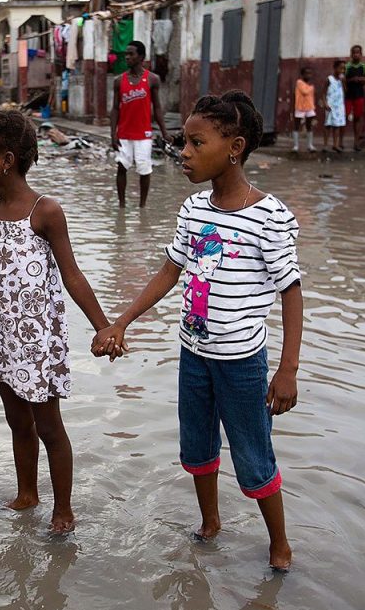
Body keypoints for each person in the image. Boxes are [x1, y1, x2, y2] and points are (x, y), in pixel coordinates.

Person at [92, 90, 303, 571]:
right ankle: (210, 522)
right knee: (197, 447)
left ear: (235, 146)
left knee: (253, 456)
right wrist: (121, 321)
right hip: (195, 355)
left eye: (195, 142)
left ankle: (280, 543)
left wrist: (287, 370)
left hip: (243, 363)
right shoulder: (194, 210)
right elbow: (170, 270)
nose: (182, 152)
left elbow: (292, 293)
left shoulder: (269, 217)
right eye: (183, 142)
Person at [0, 109, 114, 534]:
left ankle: (64, 512)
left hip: (34, 341)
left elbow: (72, 273)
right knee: (17, 422)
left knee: (49, 426)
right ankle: (27, 494)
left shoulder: (45, 211)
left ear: (6, 160)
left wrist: (103, 326)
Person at [110, 40, 170, 208]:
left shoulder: (152, 79)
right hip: (124, 133)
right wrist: (112, 133)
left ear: (141, 57)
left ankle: (142, 206)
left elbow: (157, 108)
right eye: (126, 54)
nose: (127, 57)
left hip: (143, 134)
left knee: (144, 170)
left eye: (131, 54)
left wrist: (164, 132)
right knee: (121, 167)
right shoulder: (118, 81)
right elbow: (115, 109)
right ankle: (122, 206)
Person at [344, 45, 365, 150]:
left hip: (359, 94)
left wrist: (361, 79)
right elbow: (343, 80)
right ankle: (340, 141)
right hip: (348, 94)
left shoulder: (363, 66)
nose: (356, 54)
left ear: (361, 54)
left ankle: (356, 142)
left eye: (358, 52)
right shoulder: (347, 66)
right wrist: (351, 80)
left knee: (358, 118)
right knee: (344, 117)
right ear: (351, 54)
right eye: (354, 52)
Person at [322, 60, 346, 153]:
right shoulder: (329, 79)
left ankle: (335, 145)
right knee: (328, 125)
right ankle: (325, 145)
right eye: (340, 68)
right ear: (335, 68)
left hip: (339, 106)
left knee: (337, 126)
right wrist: (325, 103)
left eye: (343, 69)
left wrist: (344, 82)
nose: (342, 70)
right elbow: (323, 92)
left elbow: (345, 91)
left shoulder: (342, 80)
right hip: (330, 105)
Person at [292, 66, 316, 152]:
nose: (308, 75)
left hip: (309, 107)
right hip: (300, 107)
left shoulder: (310, 84)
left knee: (309, 125)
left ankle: (310, 145)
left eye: (310, 73)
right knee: (297, 125)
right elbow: (305, 92)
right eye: (306, 73)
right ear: (302, 75)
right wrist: (311, 87)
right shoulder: (299, 82)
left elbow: (311, 96)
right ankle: (296, 145)